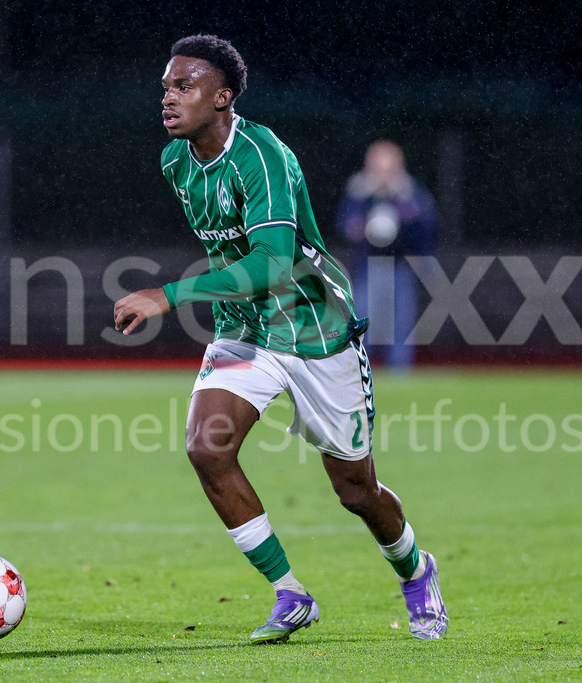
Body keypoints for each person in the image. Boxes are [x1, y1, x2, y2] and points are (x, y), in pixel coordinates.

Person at [113, 35, 447, 643]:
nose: (167, 97)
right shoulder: (175, 161)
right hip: (245, 327)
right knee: (206, 448)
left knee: (355, 490)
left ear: (222, 97)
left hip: (313, 326)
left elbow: (272, 262)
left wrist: (168, 295)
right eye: (164, 86)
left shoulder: (262, 155)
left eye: (183, 86)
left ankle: (415, 567)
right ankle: (290, 594)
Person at [336, 141, 441, 369]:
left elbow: (427, 227)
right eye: (378, 163)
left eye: (387, 163)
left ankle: (400, 372)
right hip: (367, 268)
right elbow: (345, 226)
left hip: (400, 267)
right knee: (365, 322)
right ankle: (363, 372)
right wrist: (363, 225)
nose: (383, 171)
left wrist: (401, 207)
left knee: (400, 325)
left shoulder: (410, 192)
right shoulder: (358, 191)